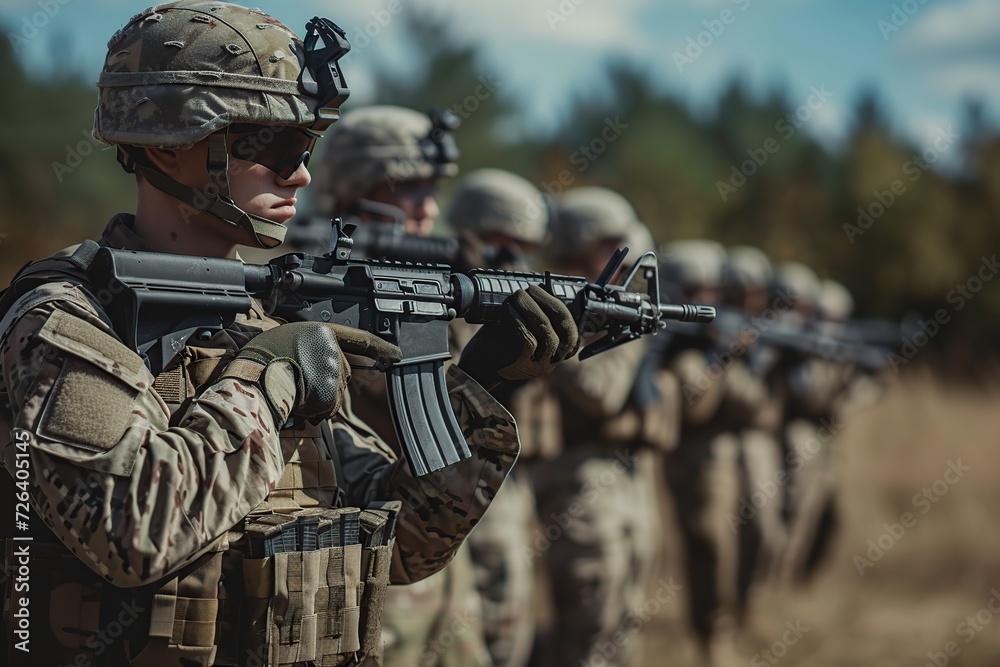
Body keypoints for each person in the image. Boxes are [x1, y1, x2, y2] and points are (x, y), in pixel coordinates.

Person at [0, 4, 579, 666]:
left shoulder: (260, 324)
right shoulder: (62, 322)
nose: (300, 173)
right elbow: (127, 530)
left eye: (305, 148)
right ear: (167, 144)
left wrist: (480, 388)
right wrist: (264, 381)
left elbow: (403, 541)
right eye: (272, 147)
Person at [308, 105, 491, 667]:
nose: (430, 208)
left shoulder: (422, 288)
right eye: (410, 189)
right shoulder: (306, 286)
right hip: (361, 577)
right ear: (354, 188)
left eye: (432, 189)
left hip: (440, 571)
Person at [530, 187, 672, 667]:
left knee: (626, 618)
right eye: (611, 244)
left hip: (629, 476)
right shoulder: (551, 306)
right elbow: (599, 394)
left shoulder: (609, 305)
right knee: (588, 621)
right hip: (577, 475)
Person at [445, 168, 553, 667]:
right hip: (444, 495)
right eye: (496, 244)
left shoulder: (518, 305)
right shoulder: (434, 297)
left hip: (507, 491)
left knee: (511, 633)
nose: (511, 259)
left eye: (520, 247)